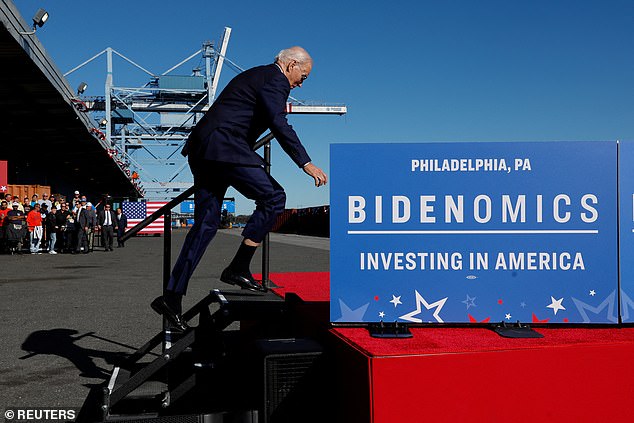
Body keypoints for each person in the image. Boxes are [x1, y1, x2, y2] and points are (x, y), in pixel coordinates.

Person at [150, 46, 327, 331]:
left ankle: (171, 297)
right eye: (303, 76)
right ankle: (238, 267)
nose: (300, 83)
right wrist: (305, 163)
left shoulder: (256, 76)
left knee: (205, 225)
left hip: (203, 149)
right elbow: (278, 122)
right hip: (224, 147)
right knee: (274, 196)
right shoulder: (275, 79)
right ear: (291, 64)